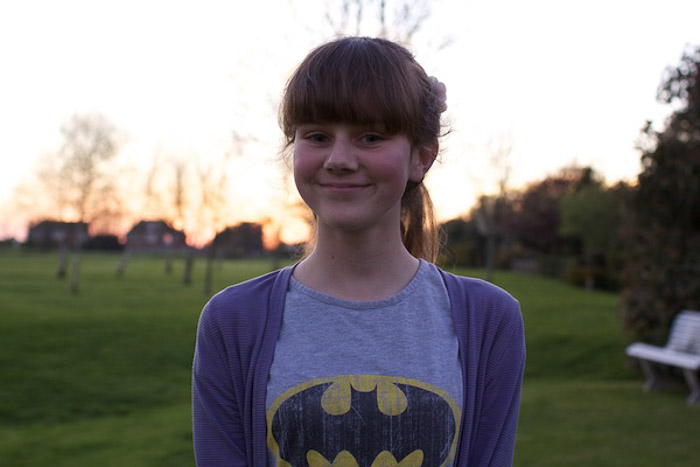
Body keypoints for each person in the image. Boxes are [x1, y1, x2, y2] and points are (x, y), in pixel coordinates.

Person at [192, 36, 525, 467]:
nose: (339, 158)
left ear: (421, 157)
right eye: (317, 135)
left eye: (370, 137)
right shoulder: (232, 321)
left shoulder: (489, 320)